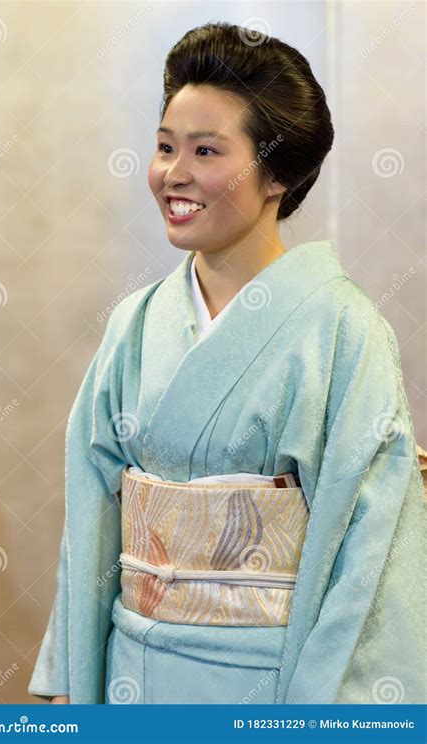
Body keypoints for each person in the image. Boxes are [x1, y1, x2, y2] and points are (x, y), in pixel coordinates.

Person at [28, 22, 425, 705]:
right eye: (164, 148)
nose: (173, 175)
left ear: (280, 172)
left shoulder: (344, 330)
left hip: (268, 686)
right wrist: (73, 688)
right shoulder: (135, 326)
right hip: (132, 675)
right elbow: (90, 525)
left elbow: (371, 556)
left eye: (206, 150)